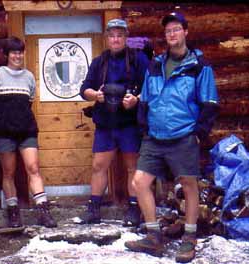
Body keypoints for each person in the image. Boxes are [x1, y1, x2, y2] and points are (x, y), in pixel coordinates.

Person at [124, 12, 219, 263]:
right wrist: (144, 126)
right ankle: (153, 236)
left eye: (176, 29)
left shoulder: (200, 66)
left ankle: (189, 237)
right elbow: (145, 98)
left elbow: (209, 103)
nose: (172, 34)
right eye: (168, 31)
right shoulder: (155, 64)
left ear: (186, 32)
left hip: (183, 135)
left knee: (189, 185)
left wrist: (198, 135)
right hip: (154, 137)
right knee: (140, 182)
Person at [79, 18, 149, 226]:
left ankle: (135, 208)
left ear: (126, 37)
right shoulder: (99, 62)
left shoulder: (139, 59)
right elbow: (84, 89)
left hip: (130, 124)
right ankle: (94, 209)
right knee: (98, 166)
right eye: (112, 35)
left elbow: (151, 87)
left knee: (132, 167)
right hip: (105, 124)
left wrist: (136, 100)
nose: (116, 39)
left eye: (120, 35)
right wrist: (95, 96)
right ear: (107, 38)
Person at [0, 37, 57, 228]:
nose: (17, 56)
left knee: (33, 168)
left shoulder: (29, 77)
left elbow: (28, 103)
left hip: (27, 130)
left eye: (20, 52)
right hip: (4, 132)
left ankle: (43, 211)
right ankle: (13, 212)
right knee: (8, 172)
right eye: (13, 52)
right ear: (6, 55)